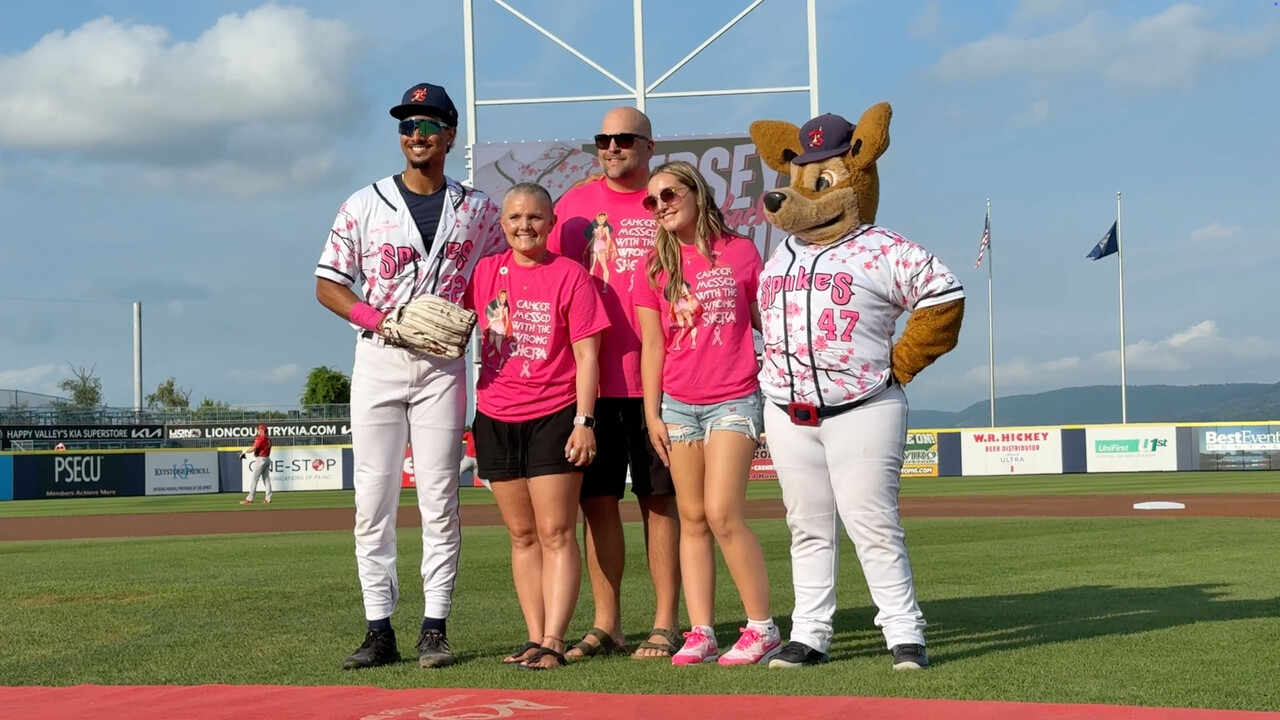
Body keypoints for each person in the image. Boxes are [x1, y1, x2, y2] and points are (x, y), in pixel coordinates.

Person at [315, 81, 505, 671]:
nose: (416, 134)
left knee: (439, 498)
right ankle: (379, 629)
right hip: (379, 355)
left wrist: (485, 319)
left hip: (442, 363)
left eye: (428, 125)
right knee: (372, 498)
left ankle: (434, 627)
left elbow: (500, 277)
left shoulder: (478, 208)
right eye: (407, 125)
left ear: (450, 135)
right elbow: (328, 284)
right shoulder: (364, 203)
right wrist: (379, 320)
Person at [547, 107, 682, 661]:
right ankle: (608, 625)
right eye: (603, 138)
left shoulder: (668, 202)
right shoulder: (574, 205)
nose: (611, 147)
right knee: (597, 504)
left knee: (660, 502)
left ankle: (666, 622)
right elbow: (549, 281)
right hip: (590, 385)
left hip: (658, 381)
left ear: (649, 146)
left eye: (624, 138)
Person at [633, 161, 778, 666]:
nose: (660, 206)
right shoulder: (653, 266)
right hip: (677, 405)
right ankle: (701, 632)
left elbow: (766, 322)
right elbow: (653, 345)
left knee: (722, 514)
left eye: (669, 194)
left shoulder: (741, 252)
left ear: (697, 193)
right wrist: (652, 414)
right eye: (652, 201)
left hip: (734, 398)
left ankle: (762, 627)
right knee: (691, 518)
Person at [463, 182, 609, 670]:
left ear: (550, 223)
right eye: (515, 217)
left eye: (534, 217)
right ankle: (532, 636)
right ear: (501, 223)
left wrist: (584, 421)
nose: (524, 226)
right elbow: (452, 322)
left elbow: (588, 356)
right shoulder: (484, 272)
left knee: (556, 531)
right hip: (495, 416)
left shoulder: (570, 275)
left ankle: (554, 640)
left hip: (555, 414)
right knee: (522, 534)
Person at [239, 424, 272, 505]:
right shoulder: (268, 439)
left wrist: (244, 452)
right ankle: (268, 498)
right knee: (266, 479)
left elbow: (254, 448)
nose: (257, 431)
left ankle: (250, 499)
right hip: (267, 458)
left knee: (254, 479)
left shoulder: (260, 438)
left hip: (261, 459)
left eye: (259, 429)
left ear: (262, 430)